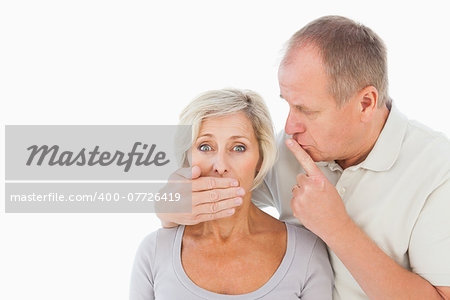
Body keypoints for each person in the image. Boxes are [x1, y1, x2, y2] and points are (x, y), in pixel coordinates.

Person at [157, 16, 450, 299]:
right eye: (288, 104)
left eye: (307, 111)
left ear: (365, 104)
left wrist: (338, 229)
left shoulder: (437, 170)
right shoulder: (289, 146)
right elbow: (210, 191)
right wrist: (169, 206)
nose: (290, 126)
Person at [130, 89, 334, 299]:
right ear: (188, 157)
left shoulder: (306, 253)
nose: (220, 166)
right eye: (205, 146)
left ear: (261, 160)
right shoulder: (154, 251)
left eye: (238, 148)